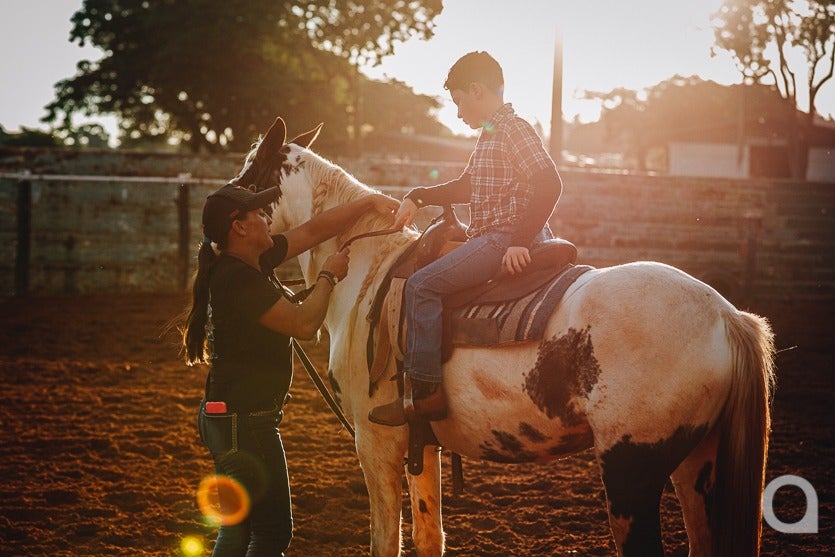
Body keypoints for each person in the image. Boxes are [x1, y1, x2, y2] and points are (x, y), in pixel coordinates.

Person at [182, 181, 397, 556]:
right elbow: (302, 324)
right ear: (240, 228)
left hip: (227, 418)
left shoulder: (248, 263)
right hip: (247, 423)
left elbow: (315, 230)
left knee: (238, 533)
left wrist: (366, 201)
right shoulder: (238, 278)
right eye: (259, 214)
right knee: (271, 534)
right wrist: (329, 276)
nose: (268, 219)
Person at [368, 51, 563, 427]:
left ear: (475, 90)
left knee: (421, 286)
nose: (458, 113)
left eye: (458, 101)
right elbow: (467, 186)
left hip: (500, 238)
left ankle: (425, 392)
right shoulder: (493, 134)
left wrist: (519, 241)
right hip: (499, 235)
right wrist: (420, 195)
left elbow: (549, 183)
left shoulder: (513, 129)